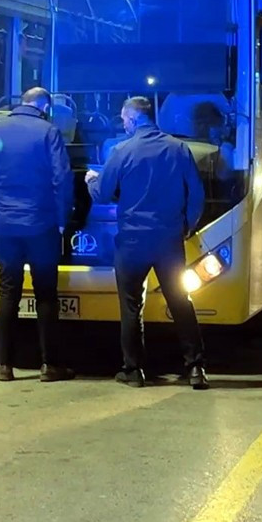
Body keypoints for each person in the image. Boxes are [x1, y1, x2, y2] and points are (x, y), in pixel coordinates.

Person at [86, 97, 208, 390]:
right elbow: (197, 195)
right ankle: (195, 369)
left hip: (132, 242)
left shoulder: (122, 151)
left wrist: (92, 179)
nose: (124, 123)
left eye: (124, 119)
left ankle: (134, 370)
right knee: (180, 302)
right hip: (168, 242)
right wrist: (186, 228)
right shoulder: (179, 149)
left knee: (131, 306)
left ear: (133, 118)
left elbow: (102, 194)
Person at [0, 87, 76, 383]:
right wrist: (62, 218)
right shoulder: (48, 132)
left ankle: (5, 366)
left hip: (5, 224)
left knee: (7, 291)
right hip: (41, 225)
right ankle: (49, 366)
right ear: (44, 106)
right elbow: (62, 178)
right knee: (45, 294)